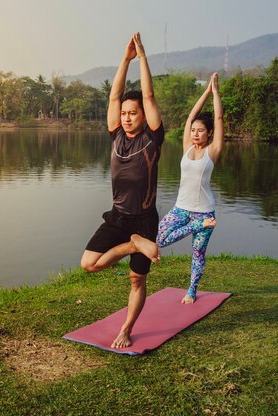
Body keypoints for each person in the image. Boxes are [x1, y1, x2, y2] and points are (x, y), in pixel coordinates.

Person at [81, 32, 163, 349]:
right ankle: (133, 246)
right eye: (125, 113)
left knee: (137, 280)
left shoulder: (153, 138)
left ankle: (127, 328)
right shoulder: (116, 134)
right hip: (118, 218)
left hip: (144, 220)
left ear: (144, 116)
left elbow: (150, 95)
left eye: (134, 113)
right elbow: (114, 98)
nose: (127, 118)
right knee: (88, 264)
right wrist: (124, 59)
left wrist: (141, 57)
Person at [156, 72, 224, 304]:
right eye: (193, 130)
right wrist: (205, 92)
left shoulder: (212, 152)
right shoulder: (186, 146)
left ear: (209, 134)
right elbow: (190, 118)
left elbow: (219, 119)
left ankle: (191, 291)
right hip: (181, 209)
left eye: (200, 130)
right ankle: (198, 226)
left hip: (205, 210)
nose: (195, 133)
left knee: (197, 254)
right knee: (159, 240)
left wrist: (215, 93)